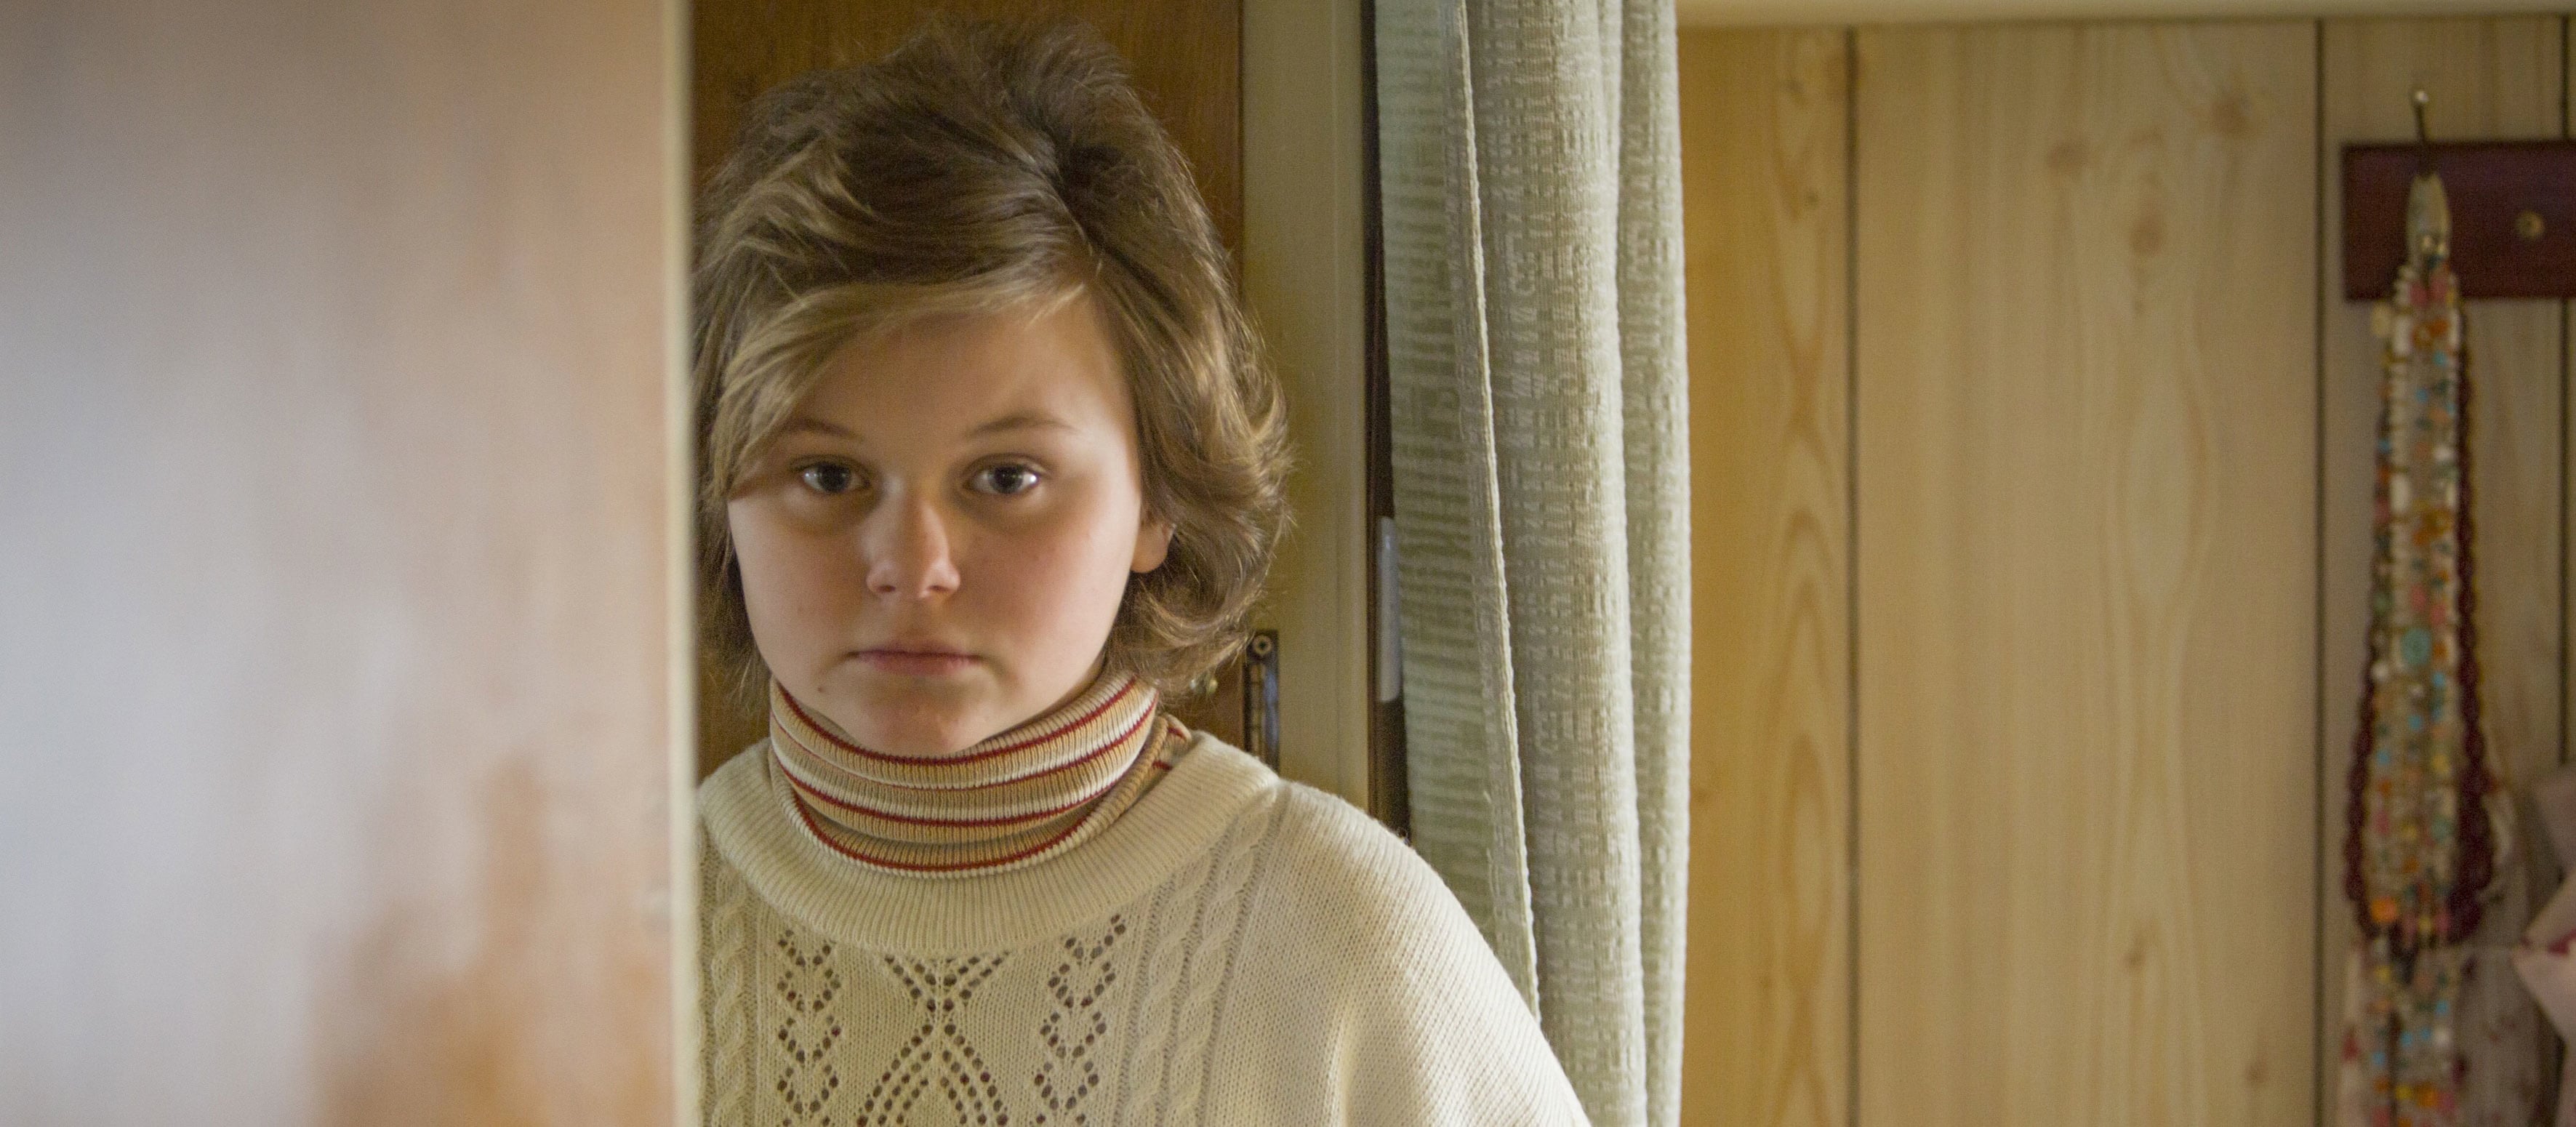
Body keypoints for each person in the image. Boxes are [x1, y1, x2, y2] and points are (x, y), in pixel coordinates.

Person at [691, 19, 1588, 1125]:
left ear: (1157, 497)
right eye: (828, 476)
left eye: (1006, 478)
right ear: (721, 497)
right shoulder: (591, 936)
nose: (913, 568)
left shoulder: (1352, 946)